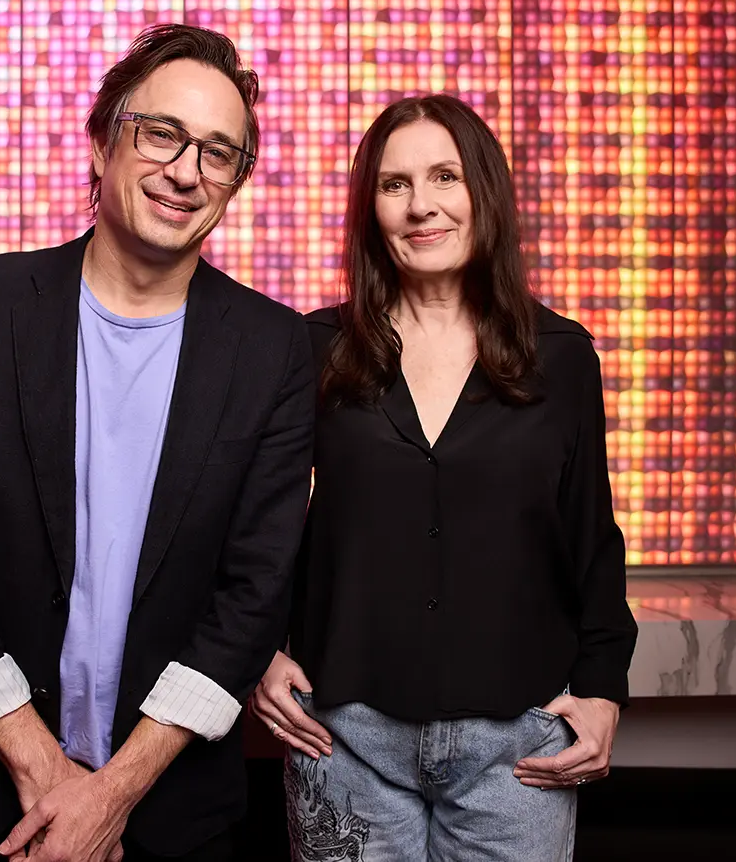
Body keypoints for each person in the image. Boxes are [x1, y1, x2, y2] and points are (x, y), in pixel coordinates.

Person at [0, 24, 316, 862]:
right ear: (101, 141)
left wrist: (110, 796)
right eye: (162, 134)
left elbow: (253, 595)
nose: (186, 172)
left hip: (168, 813)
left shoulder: (273, 351)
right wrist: (53, 786)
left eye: (219, 153)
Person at [251, 95, 638, 862]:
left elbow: (591, 537)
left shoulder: (561, 357)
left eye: (443, 177)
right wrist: (259, 649)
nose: (420, 205)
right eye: (394, 185)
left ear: (482, 192)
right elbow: (262, 526)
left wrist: (603, 691)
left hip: (516, 748)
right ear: (371, 209)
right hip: (343, 736)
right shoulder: (313, 349)